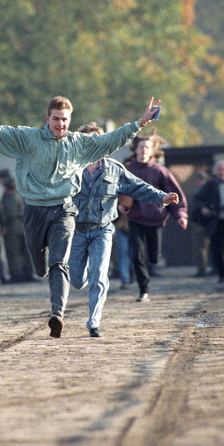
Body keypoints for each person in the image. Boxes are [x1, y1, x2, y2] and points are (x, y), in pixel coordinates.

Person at [0, 91, 160, 338]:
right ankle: (43, 267)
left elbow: (111, 140)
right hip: (34, 210)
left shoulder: (78, 143)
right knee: (41, 266)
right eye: (56, 119)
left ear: (70, 119)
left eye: (65, 119)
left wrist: (140, 122)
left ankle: (57, 314)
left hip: (64, 209)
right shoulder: (28, 139)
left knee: (59, 262)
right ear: (47, 118)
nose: (61, 124)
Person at [69, 123, 178, 337]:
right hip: (77, 231)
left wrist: (161, 197)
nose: (92, 144)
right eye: (87, 140)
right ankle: (85, 273)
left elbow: (138, 187)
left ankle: (93, 322)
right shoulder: (69, 168)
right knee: (76, 279)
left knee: (99, 276)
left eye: (97, 140)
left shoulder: (114, 169)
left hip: (102, 230)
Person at [125, 136, 188, 302]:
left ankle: (151, 262)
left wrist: (180, 215)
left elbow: (175, 195)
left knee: (153, 257)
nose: (144, 150)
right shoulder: (128, 170)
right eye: (141, 147)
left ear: (152, 150)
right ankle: (143, 289)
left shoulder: (160, 171)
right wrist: (121, 205)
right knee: (137, 255)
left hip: (156, 219)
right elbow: (117, 191)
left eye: (147, 147)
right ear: (135, 149)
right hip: (135, 218)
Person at [191, 161, 224, 284]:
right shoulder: (209, 185)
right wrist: (203, 208)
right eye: (219, 170)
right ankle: (221, 273)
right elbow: (197, 199)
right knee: (216, 249)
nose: (221, 172)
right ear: (215, 172)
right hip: (215, 222)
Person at [0, 176, 34, 283]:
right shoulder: (22, 195)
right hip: (24, 227)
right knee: (26, 252)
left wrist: (3, 225)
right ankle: (28, 274)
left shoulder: (10, 197)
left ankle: (17, 275)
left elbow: (9, 214)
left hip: (12, 228)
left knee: (14, 252)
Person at [189, 171, 212, 277]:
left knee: (202, 247)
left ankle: (203, 269)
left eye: (201, 180)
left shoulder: (205, 192)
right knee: (199, 247)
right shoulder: (198, 192)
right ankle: (201, 268)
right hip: (198, 222)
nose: (199, 182)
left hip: (204, 223)